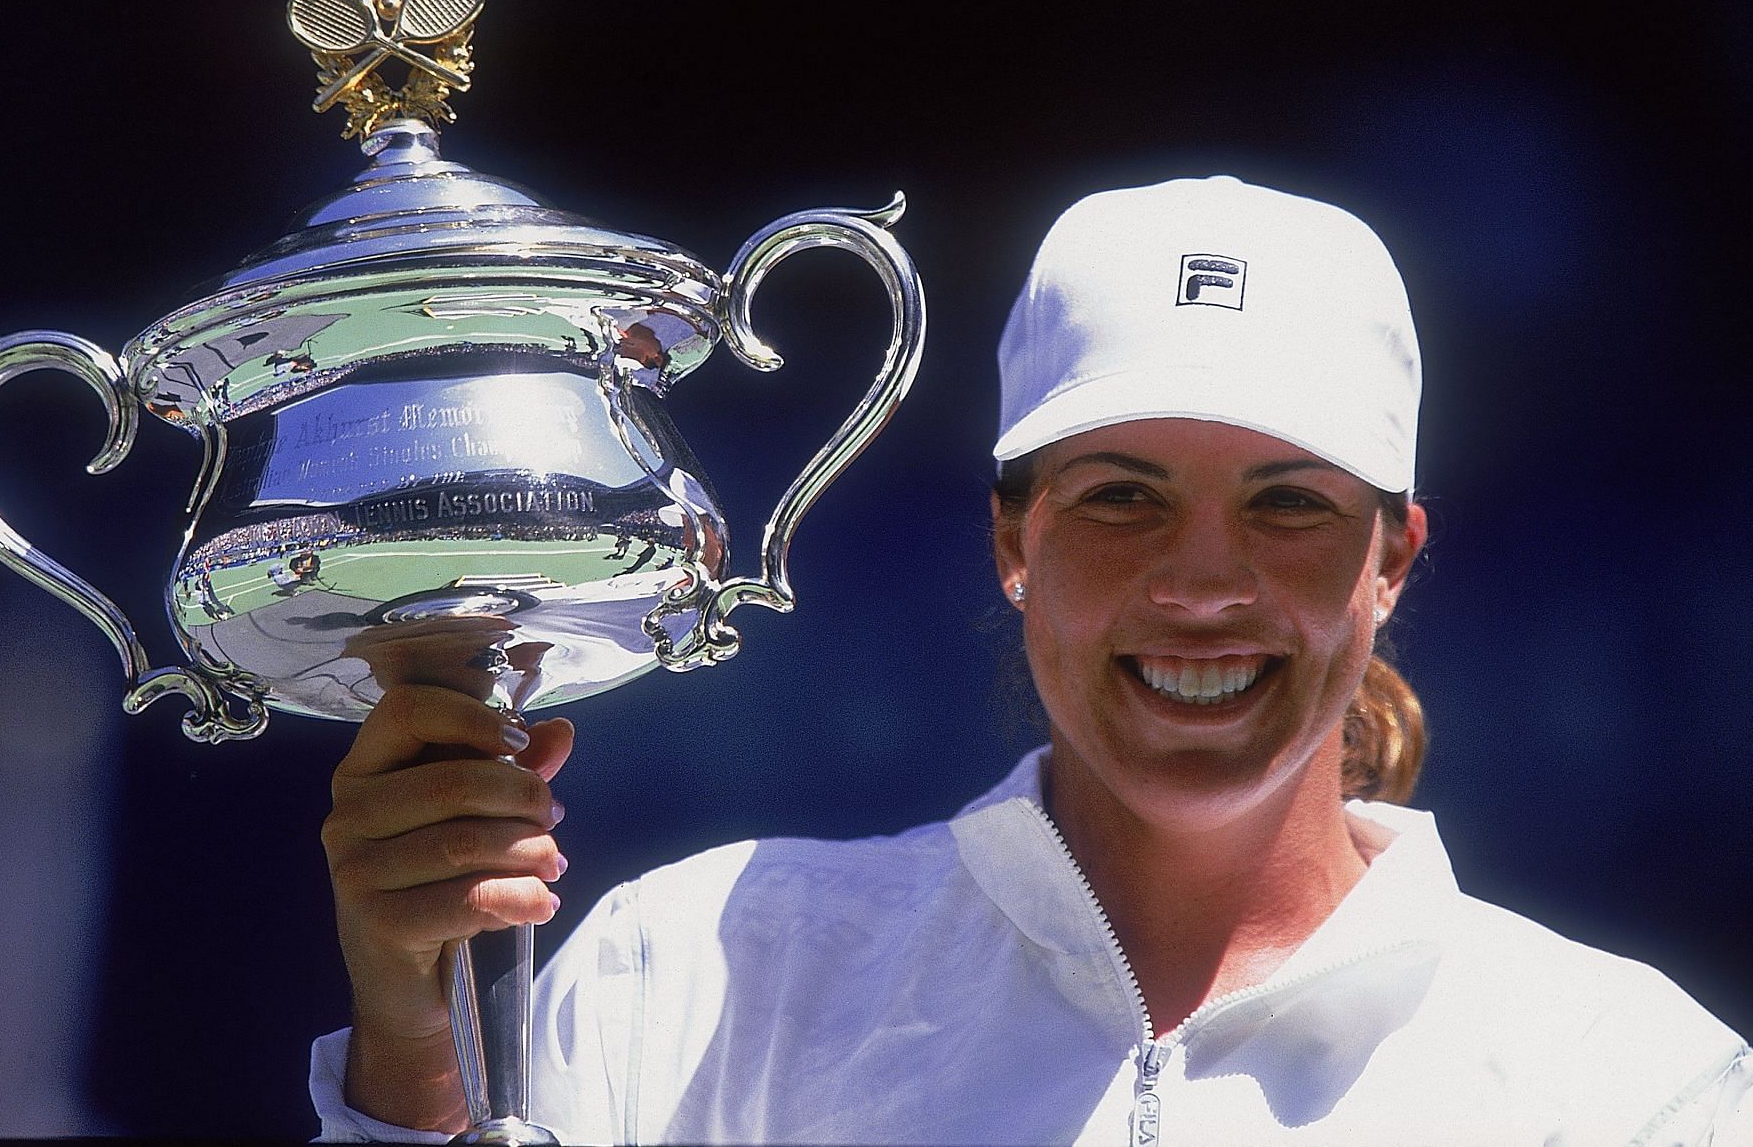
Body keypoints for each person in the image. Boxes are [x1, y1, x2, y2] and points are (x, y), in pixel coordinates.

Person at [309, 176, 1750, 1144]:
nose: (1201, 581)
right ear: (1014, 541)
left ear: (1391, 560)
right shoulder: (683, 975)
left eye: (1289, 503)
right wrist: (418, 1048)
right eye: (1123, 493)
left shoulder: (1628, 1084)